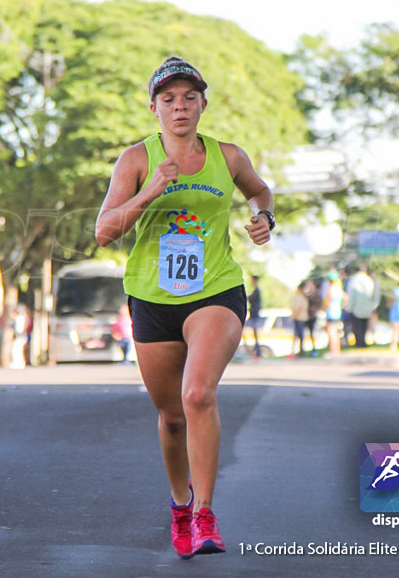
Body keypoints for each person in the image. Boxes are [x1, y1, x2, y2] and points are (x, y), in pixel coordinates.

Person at [94, 56, 273, 559]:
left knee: (197, 395)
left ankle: (206, 514)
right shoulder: (136, 160)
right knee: (172, 415)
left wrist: (264, 218)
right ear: (154, 108)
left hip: (215, 290)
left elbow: (260, 191)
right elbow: (104, 231)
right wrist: (152, 190)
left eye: (189, 98)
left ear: (202, 105)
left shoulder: (228, 156)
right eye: (169, 99)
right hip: (152, 298)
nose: (180, 107)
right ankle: (180, 503)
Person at [345, 264, 378, 348]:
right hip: (367, 307)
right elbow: (374, 294)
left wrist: (349, 306)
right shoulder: (369, 280)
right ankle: (363, 342)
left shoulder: (354, 280)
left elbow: (351, 295)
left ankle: (359, 343)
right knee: (364, 326)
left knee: (357, 327)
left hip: (356, 307)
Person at [324, 269, 344, 356]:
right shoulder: (339, 288)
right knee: (336, 332)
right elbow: (346, 298)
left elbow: (327, 302)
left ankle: (333, 351)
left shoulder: (331, 289)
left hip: (331, 313)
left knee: (332, 333)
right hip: (337, 312)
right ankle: (337, 350)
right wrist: (340, 306)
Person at [290, 281, 310, 356]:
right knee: (300, 335)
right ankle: (300, 350)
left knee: (298, 335)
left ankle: (299, 350)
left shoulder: (299, 297)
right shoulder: (304, 297)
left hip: (299, 318)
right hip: (302, 317)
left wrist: (294, 316)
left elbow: (297, 308)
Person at [246, 275, 263, 358]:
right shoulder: (256, 290)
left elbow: (251, 299)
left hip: (254, 315)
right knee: (254, 334)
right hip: (253, 315)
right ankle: (255, 351)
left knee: (254, 334)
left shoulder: (257, 290)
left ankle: (257, 352)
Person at [304, 279, 323, 354]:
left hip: (313, 315)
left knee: (313, 332)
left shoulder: (316, 293)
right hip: (309, 315)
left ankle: (315, 349)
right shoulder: (310, 293)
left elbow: (317, 303)